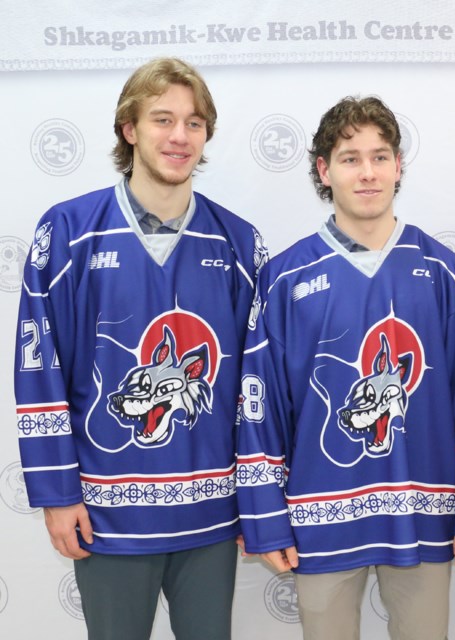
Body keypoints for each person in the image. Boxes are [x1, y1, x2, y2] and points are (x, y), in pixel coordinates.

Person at [235, 95, 455, 640]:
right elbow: (259, 403)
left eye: (380, 157)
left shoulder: (442, 270)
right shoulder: (286, 277)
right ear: (323, 170)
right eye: (350, 157)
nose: (367, 173)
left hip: (423, 508)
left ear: (399, 166)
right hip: (319, 513)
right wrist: (264, 515)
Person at [14, 58, 267, 640]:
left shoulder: (240, 243)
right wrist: (57, 493)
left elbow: (258, 384)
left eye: (194, 123)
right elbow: (39, 368)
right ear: (129, 129)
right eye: (162, 119)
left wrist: (256, 494)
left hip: (212, 510)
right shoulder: (69, 232)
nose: (179, 136)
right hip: (106, 511)